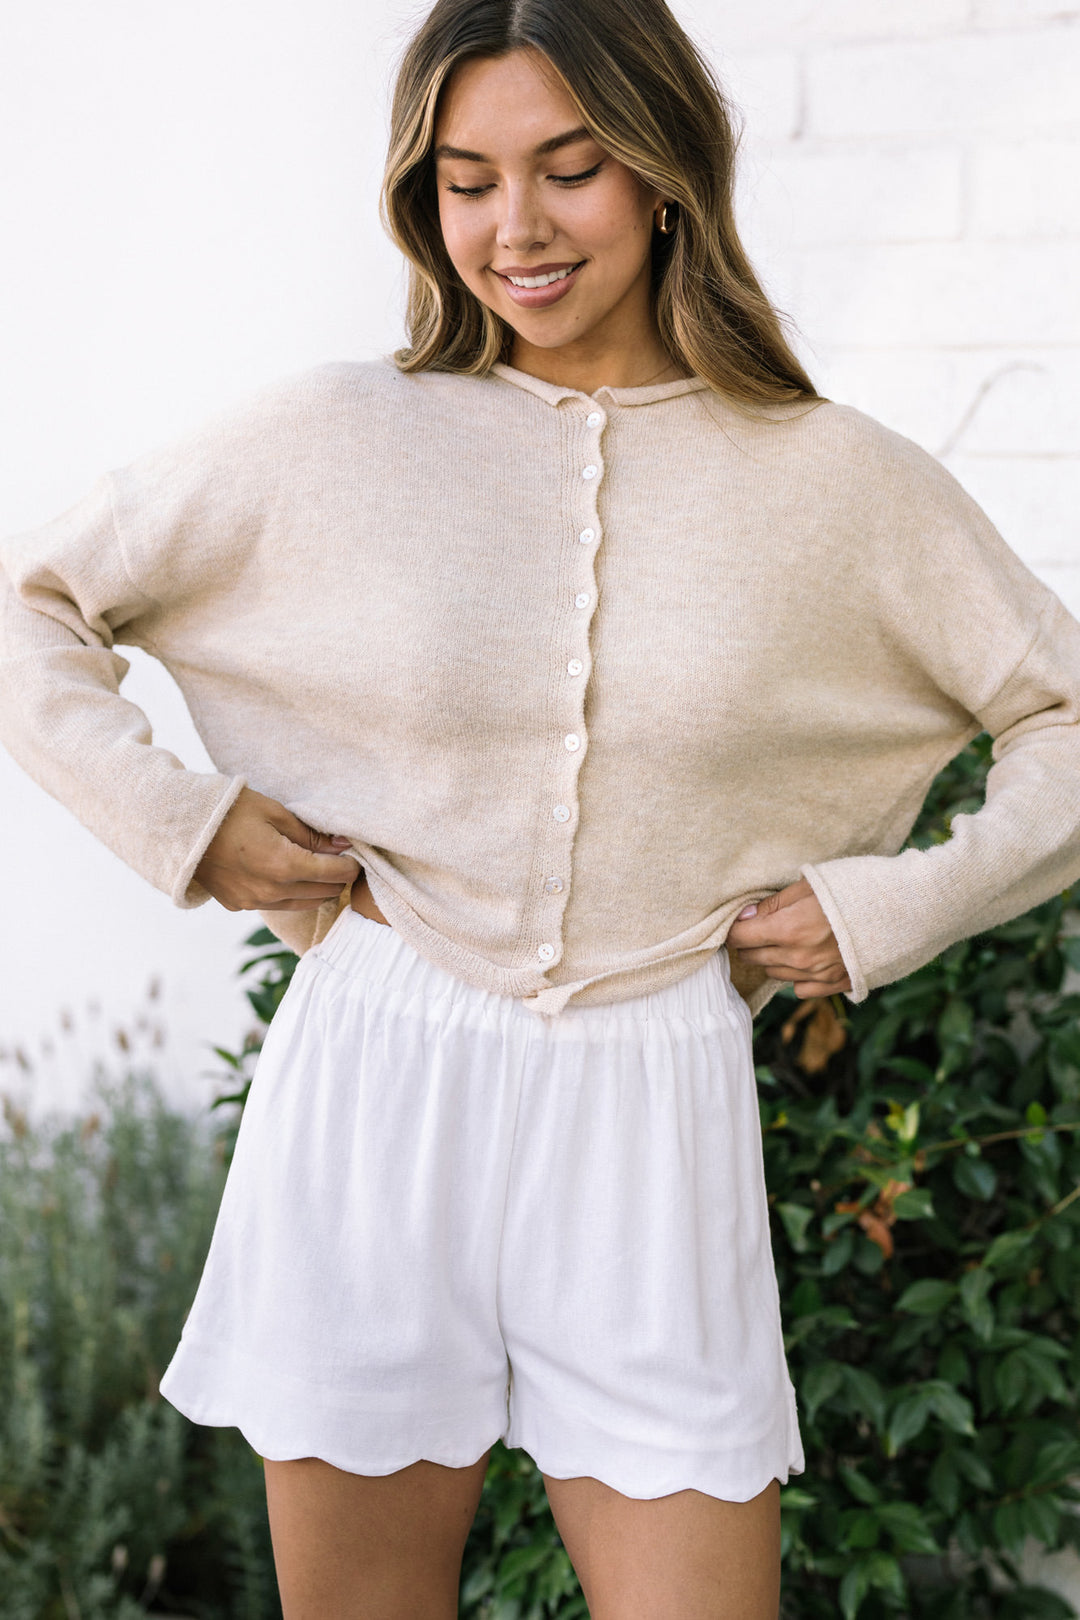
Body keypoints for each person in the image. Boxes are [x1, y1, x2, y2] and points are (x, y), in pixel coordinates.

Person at [2, 0, 1079, 1614]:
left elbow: (1064, 713)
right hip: (380, 1068)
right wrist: (185, 823)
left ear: (664, 174)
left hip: (656, 1090)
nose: (516, 227)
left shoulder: (837, 480)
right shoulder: (335, 434)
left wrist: (893, 908)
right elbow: (33, 603)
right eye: (467, 180)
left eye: (571, 171)